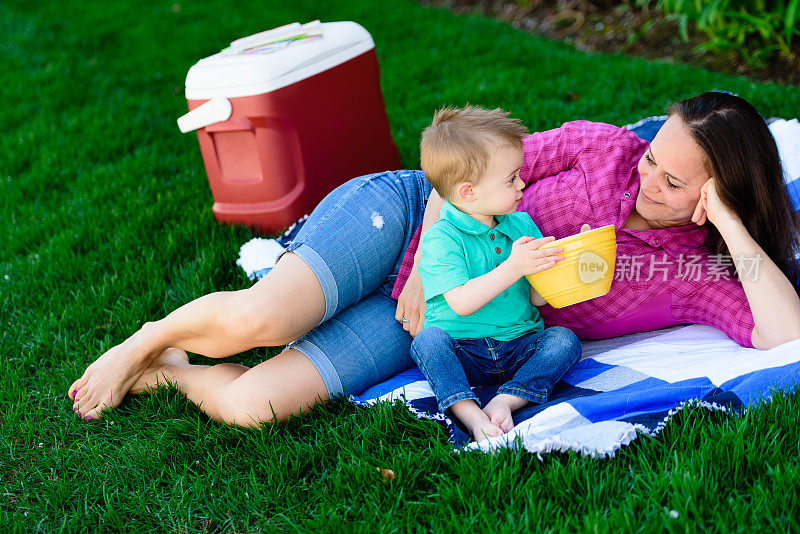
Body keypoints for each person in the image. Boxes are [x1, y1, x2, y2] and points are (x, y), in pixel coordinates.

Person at [67, 92, 800, 425]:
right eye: (651, 159)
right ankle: (145, 338)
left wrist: (732, 229)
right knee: (257, 319)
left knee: (253, 405)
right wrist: (421, 264)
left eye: (672, 183)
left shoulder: (689, 274)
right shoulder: (603, 146)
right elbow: (467, 174)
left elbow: (782, 334)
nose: (645, 180)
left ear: (719, 195)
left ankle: (167, 375)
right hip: (410, 218)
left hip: (444, 320)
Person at [409, 106, 581, 441]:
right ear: (468, 192)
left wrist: (565, 261)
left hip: (520, 345)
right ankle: (469, 413)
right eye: (511, 178)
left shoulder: (520, 225)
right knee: (428, 342)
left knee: (564, 341)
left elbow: (536, 297)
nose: (522, 183)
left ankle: (505, 401)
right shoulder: (440, 239)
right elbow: (461, 302)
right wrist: (514, 265)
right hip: (463, 350)